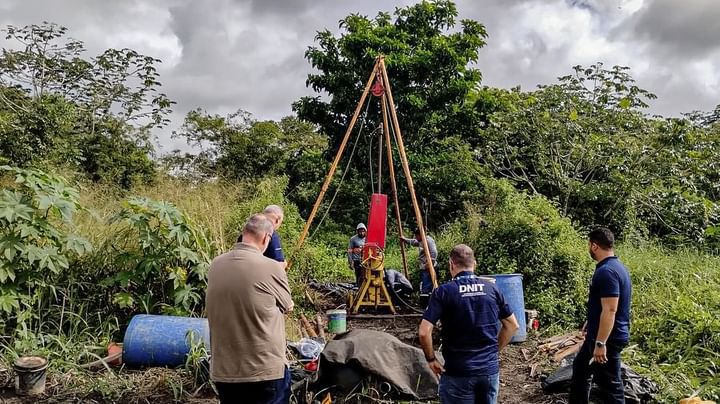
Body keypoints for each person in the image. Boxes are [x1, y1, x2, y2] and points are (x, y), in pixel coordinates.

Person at [206, 214, 294, 404]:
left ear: (244, 233)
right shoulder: (272, 267)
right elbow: (289, 306)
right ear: (266, 238)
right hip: (264, 371)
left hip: (225, 372)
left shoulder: (215, 265)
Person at [419, 244, 519, 404]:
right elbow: (513, 325)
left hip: (458, 373)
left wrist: (431, 359)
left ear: (451, 265)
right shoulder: (492, 289)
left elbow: (424, 332)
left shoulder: (443, 292)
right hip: (488, 372)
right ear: (475, 264)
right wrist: (494, 350)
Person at [570, 227, 632, 404]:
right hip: (598, 334)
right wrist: (591, 321)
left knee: (611, 386)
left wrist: (600, 343)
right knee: (581, 369)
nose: (589, 248)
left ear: (595, 246)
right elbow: (606, 305)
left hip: (607, 339)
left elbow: (611, 310)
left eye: (589, 245)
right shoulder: (617, 267)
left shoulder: (606, 272)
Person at [401, 229, 438, 294]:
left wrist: (429, 264)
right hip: (424, 267)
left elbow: (434, 253)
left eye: (416, 236)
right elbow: (414, 242)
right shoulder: (421, 241)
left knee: (426, 287)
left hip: (428, 268)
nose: (416, 237)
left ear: (420, 235)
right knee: (425, 285)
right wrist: (404, 239)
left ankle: (426, 301)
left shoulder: (428, 240)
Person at [263, 204, 287, 270]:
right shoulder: (272, 235)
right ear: (277, 221)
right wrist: (284, 264)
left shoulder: (249, 229)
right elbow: (279, 264)